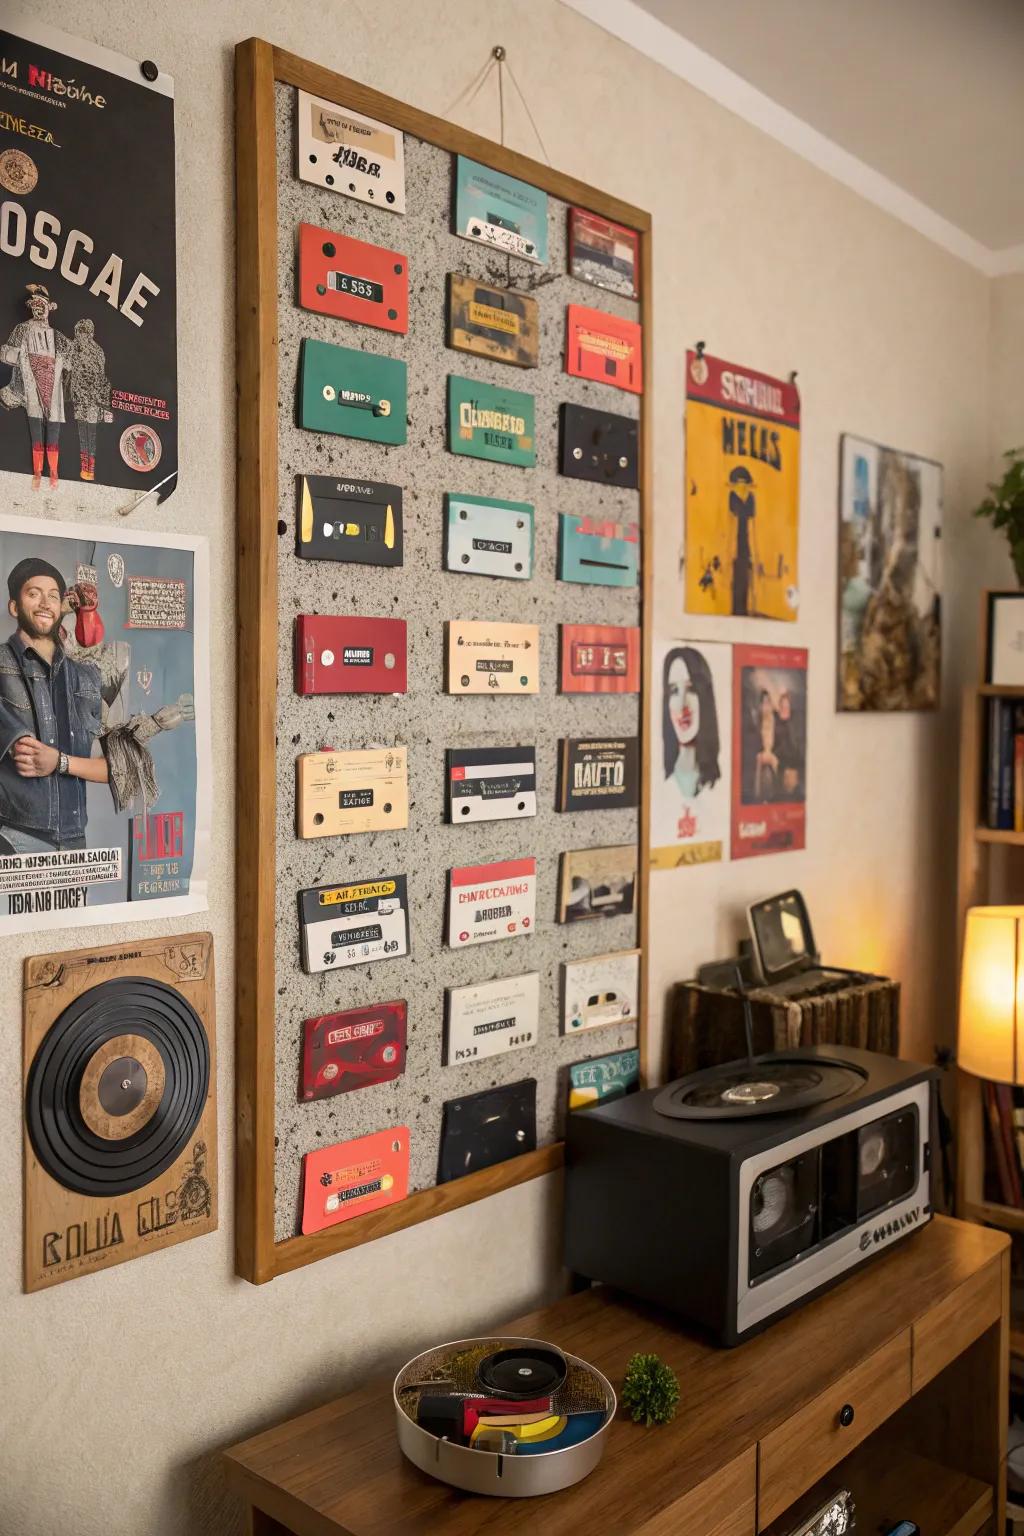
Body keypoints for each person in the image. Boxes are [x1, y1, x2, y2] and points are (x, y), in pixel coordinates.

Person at [0, 558, 106, 853]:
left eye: (53, 596)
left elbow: (116, 767)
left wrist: (59, 761)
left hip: (75, 841)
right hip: (14, 834)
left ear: (62, 607)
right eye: (33, 593)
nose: (45, 602)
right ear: (14, 607)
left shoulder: (86, 676)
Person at [0, 285, 74, 490]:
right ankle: (37, 472)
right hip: (30, 386)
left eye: (41, 304)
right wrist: (22, 358)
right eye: (34, 305)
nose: (37, 309)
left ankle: (53, 472)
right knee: (35, 431)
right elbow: (6, 353)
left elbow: (72, 359)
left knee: (53, 431)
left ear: (50, 307)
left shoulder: (57, 336)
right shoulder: (22, 329)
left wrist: (63, 361)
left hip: (53, 388)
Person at [661, 645, 721, 797]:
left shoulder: (714, 784)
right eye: (674, 691)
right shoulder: (668, 781)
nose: (682, 704)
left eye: (691, 689)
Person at [67, 319, 114, 483]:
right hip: (81, 398)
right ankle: (85, 468)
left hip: (91, 399)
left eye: (83, 333)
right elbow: (68, 366)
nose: (80, 336)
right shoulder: (76, 347)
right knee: (84, 435)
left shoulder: (96, 351)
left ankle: (90, 470)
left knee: (90, 434)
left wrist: (102, 403)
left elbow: (101, 377)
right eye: (78, 333)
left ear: (90, 334)